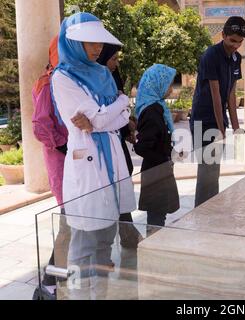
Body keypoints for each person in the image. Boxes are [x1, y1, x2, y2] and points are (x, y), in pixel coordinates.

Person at [51, 12, 136, 299]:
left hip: (111, 159)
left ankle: (100, 296)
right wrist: (118, 105)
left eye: (99, 41)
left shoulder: (103, 73)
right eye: (89, 41)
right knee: (82, 242)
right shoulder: (62, 77)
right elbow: (100, 120)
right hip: (87, 163)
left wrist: (118, 106)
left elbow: (117, 119)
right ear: (73, 42)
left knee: (105, 240)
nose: (97, 47)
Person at [189, 16, 245, 207]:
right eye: (232, 41)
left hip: (218, 118)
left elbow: (230, 94)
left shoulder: (236, 58)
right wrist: (221, 130)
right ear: (223, 35)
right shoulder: (210, 56)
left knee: (214, 170)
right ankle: (202, 213)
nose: (235, 46)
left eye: (239, 42)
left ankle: (211, 210)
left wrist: (237, 128)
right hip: (203, 119)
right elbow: (215, 96)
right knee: (207, 171)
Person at [31, 35, 71, 300]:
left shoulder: (63, 79)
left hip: (72, 156)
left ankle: (59, 275)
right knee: (69, 220)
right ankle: (48, 282)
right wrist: (62, 145)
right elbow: (41, 125)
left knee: (74, 220)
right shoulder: (48, 83)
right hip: (61, 157)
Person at [97, 43, 142, 248]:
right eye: (113, 59)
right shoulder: (93, 82)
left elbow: (120, 108)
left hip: (116, 138)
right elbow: (104, 114)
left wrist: (128, 128)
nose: (116, 63)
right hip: (102, 143)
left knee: (124, 178)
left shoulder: (112, 77)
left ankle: (127, 231)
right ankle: (123, 234)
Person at [134, 64, 180, 231]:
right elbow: (143, 147)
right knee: (156, 213)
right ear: (157, 84)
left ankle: (153, 244)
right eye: (169, 84)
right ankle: (152, 246)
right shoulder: (151, 111)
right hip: (155, 172)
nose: (171, 88)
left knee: (159, 212)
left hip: (160, 169)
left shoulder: (158, 107)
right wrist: (163, 156)